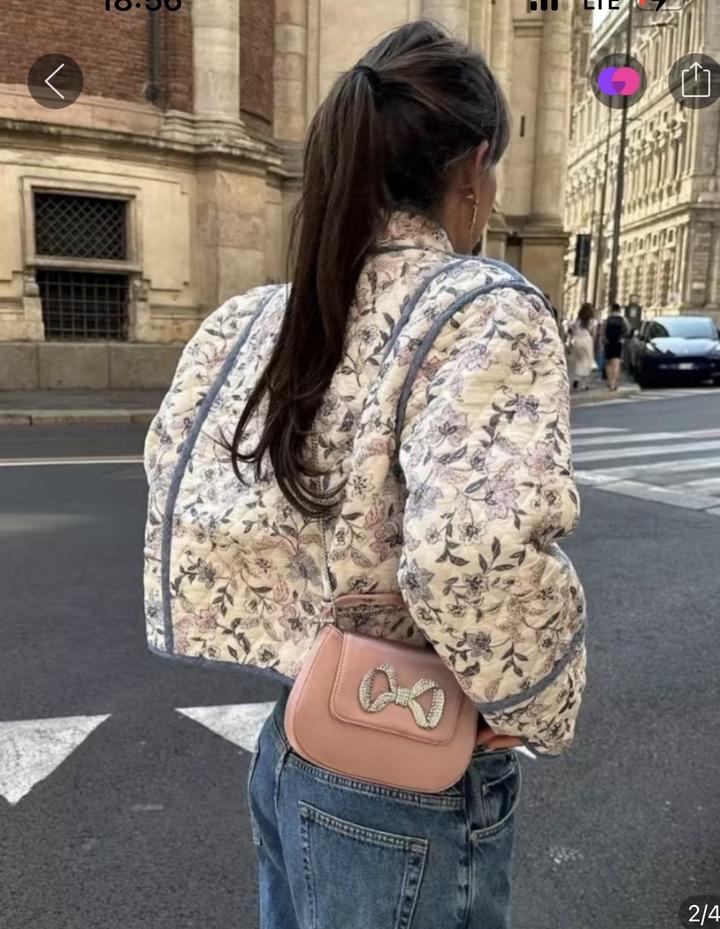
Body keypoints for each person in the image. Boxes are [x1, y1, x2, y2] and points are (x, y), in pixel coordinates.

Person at [142, 20, 587, 929]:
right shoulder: (483, 308)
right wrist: (541, 700)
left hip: (296, 740)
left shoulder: (261, 315)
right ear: (474, 167)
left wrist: (297, 628)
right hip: (410, 771)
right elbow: (472, 553)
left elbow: (178, 477)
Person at [566, 302, 597, 391]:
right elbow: (594, 333)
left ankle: (576, 378)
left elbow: (571, 331)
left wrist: (570, 342)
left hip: (577, 341)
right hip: (587, 341)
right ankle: (584, 384)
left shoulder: (577, 321)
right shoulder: (592, 321)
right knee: (587, 362)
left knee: (578, 361)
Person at [601, 302, 630, 391]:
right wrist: (622, 338)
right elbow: (628, 331)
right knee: (616, 364)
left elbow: (603, 331)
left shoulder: (607, 320)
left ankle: (610, 383)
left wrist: (605, 340)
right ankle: (614, 384)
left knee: (609, 363)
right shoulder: (623, 320)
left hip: (608, 343)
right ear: (619, 310)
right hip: (618, 343)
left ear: (611, 310)